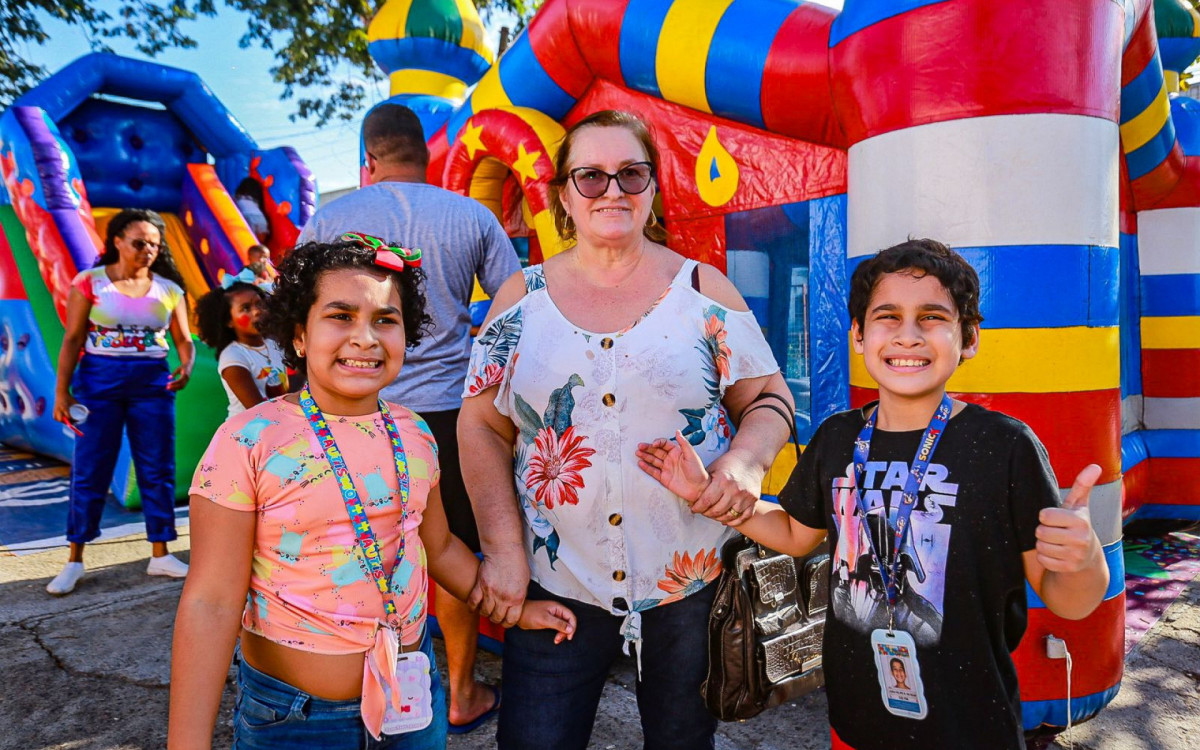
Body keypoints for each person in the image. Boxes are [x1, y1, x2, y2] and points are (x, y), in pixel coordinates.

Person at [636, 239, 1110, 749]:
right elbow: (796, 534)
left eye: (931, 317)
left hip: (971, 724)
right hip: (856, 720)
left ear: (968, 337)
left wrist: (1083, 559)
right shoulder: (838, 438)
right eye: (888, 317)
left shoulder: (1004, 447)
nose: (908, 336)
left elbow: (1070, 600)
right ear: (859, 336)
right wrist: (706, 493)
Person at [458, 109, 794, 750]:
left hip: (690, 587)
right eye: (590, 176)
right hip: (558, 583)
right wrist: (501, 548)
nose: (612, 191)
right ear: (562, 194)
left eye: (631, 174)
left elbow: (769, 398)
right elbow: (480, 425)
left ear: (653, 190)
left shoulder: (704, 291)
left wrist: (747, 462)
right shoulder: (518, 301)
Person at [167, 237, 574, 750]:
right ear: (298, 335)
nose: (365, 337)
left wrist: (511, 610)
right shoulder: (249, 439)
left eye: (385, 320)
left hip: (411, 704)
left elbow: (440, 546)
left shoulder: (415, 433)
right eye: (341, 316)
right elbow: (210, 601)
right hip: (296, 721)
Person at [298, 102, 521, 733]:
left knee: (349, 547)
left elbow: (302, 316)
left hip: (350, 410)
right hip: (451, 417)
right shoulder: (470, 215)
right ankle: (459, 693)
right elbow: (517, 310)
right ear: (429, 157)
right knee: (448, 550)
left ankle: (350, 689)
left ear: (367, 159)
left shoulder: (331, 219)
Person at [46, 208, 194, 595]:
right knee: (90, 468)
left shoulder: (168, 289)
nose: (148, 250)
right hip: (99, 384)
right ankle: (75, 560)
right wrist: (62, 392)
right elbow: (73, 339)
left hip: (152, 384)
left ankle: (161, 553)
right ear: (117, 241)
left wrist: (187, 365)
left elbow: (183, 339)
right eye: (140, 242)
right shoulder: (90, 283)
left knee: (157, 467)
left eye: (155, 245)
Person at [194, 279, 287, 418]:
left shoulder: (274, 342)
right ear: (229, 321)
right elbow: (258, 410)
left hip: (283, 421)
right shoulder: (233, 357)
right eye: (246, 308)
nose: (256, 311)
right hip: (251, 431)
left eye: (259, 303)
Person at [235, 178, 271, 244]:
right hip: (260, 219)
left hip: (245, 217)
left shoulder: (238, 198)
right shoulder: (256, 200)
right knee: (258, 245)